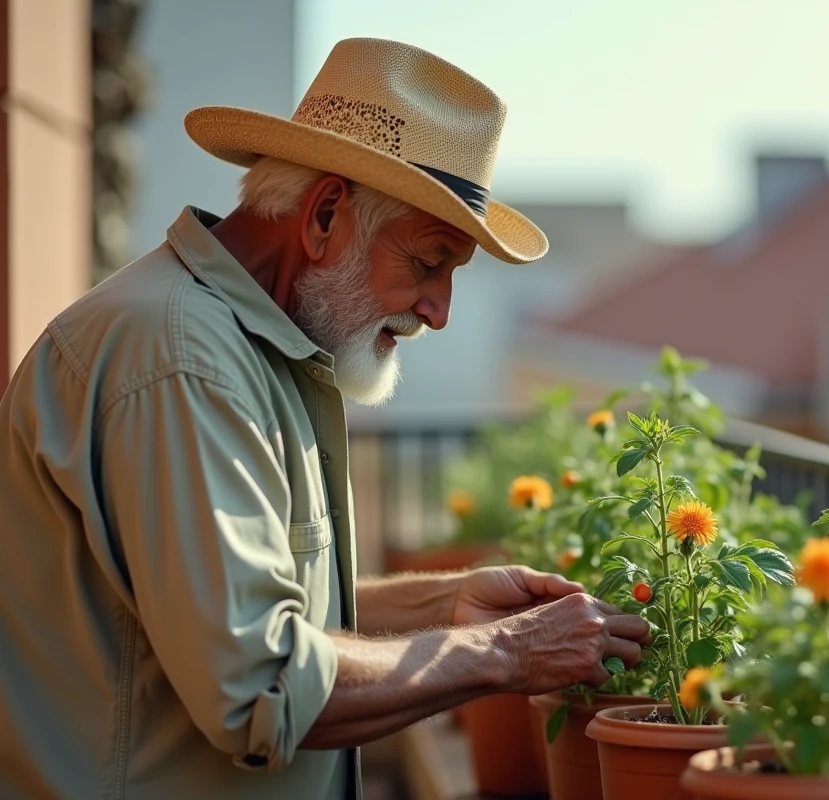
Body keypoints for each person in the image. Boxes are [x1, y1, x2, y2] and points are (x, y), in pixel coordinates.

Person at [0, 38, 651, 800]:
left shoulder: (244, 343)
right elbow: (263, 684)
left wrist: (443, 602)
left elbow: (240, 604)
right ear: (326, 214)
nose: (439, 312)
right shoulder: (183, 361)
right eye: (429, 262)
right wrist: (505, 649)